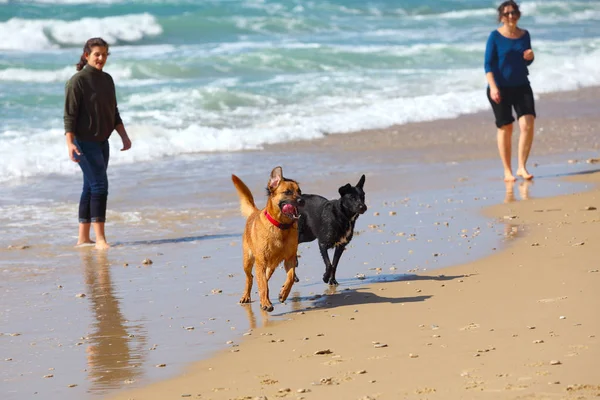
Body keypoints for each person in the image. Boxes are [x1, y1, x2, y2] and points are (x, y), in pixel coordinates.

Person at [64, 37, 132, 250]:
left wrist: (124, 135)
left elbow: (114, 112)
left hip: (102, 142)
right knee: (100, 186)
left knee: (89, 187)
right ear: (87, 56)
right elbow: (69, 116)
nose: (101, 58)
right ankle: (100, 239)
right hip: (84, 142)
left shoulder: (107, 80)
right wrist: (70, 143)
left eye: (104, 54)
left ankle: (83, 238)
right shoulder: (78, 81)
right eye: (97, 54)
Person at [484, 0, 535, 182]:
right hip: (500, 88)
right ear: (501, 17)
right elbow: (488, 65)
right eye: (506, 14)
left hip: (522, 85)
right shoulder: (495, 37)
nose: (511, 16)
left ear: (518, 14)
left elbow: (526, 60)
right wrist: (494, 87)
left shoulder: (524, 35)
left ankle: (522, 166)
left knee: (527, 124)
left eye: (513, 12)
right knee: (506, 127)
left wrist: (530, 57)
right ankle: (507, 170)